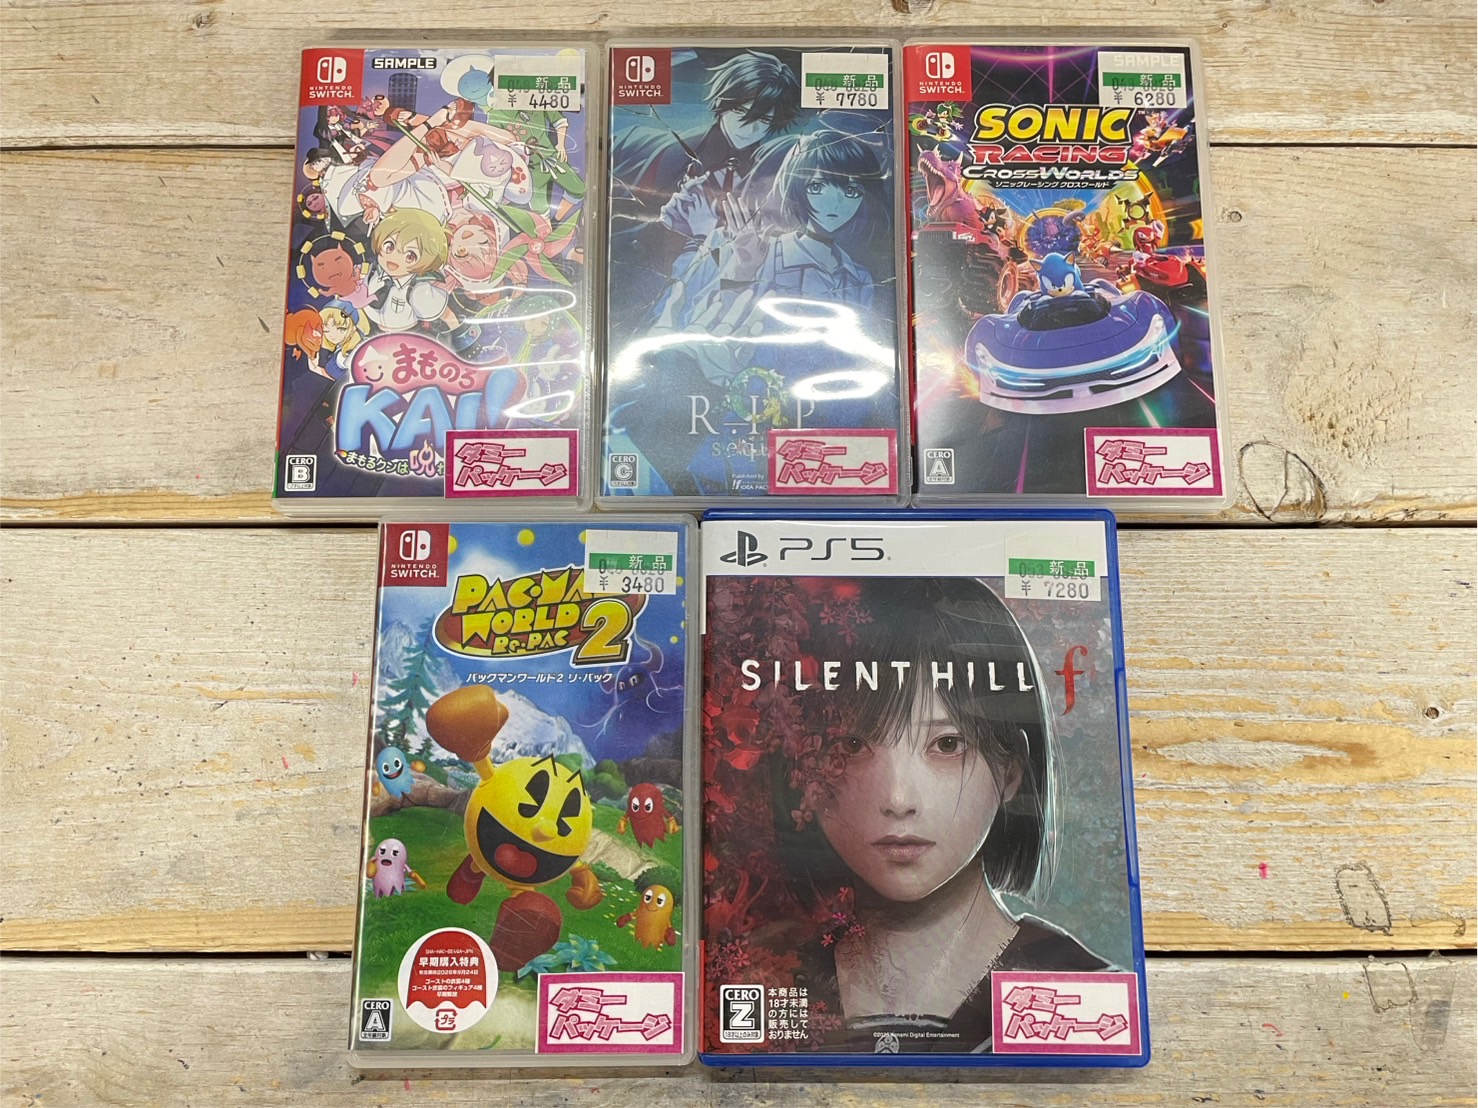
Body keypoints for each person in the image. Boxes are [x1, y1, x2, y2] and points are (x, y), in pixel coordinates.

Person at [717, 575, 1107, 1054]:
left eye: (948, 744)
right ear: (800, 770)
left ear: (1011, 772)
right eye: (851, 745)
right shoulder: (765, 985)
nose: (899, 799)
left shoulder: (1083, 997)